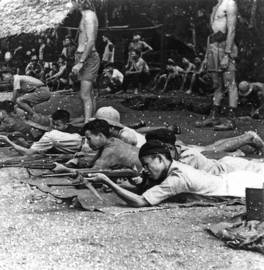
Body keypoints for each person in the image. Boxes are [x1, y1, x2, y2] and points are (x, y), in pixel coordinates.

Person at [86, 140, 264, 207]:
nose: (145, 170)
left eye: (147, 165)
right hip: (236, 179)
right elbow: (146, 186)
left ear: (159, 159)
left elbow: (141, 201)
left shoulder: (177, 178)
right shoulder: (175, 165)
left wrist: (109, 182)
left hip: (241, 186)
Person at [195, 0, 238, 131]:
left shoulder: (230, 3)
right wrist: (206, 56)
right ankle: (214, 117)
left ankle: (231, 120)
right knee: (217, 85)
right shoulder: (215, 6)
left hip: (225, 46)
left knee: (230, 84)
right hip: (213, 47)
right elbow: (212, 35)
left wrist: (226, 54)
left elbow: (231, 30)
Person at [145, 128, 264, 175]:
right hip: (226, 165)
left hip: (232, 168)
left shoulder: (186, 159)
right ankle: (246, 140)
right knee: (211, 148)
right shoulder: (175, 152)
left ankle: (248, 138)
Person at [52, 119, 142, 173]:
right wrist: (73, 163)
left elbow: (93, 172)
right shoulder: (112, 142)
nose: (87, 142)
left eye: (89, 139)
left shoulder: (110, 150)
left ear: (100, 136)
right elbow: (92, 164)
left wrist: (65, 169)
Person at [71, 0, 100, 123]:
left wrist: (81, 62)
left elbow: (91, 40)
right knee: (89, 94)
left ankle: (87, 125)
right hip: (83, 56)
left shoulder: (89, 15)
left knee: (84, 95)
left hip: (88, 58)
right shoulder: (86, 15)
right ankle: (90, 120)